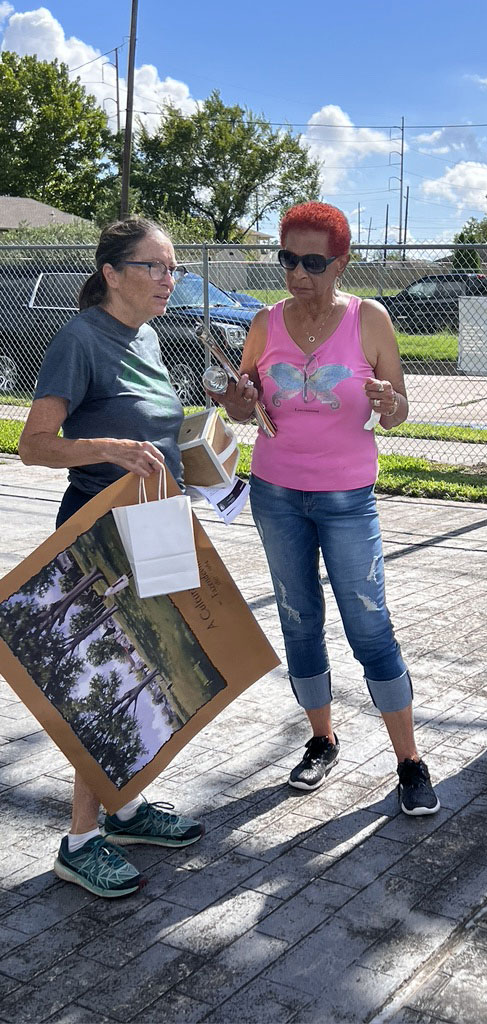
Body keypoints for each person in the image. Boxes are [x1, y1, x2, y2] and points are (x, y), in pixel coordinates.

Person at [211, 201, 439, 816]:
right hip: (276, 493)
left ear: (342, 262)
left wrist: (389, 400)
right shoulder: (264, 322)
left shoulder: (371, 320)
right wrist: (236, 399)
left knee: (369, 623)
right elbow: (246, 407)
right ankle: (321, 739)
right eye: (288, 259)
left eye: (313, 261)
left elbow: (398, 411)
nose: (298, 273)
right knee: (297, 616)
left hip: (346, 497)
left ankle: (409, 761)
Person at [18, 217, 204, 897]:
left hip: (153, 525)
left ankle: (125, 809)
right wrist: (105, 448)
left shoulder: (150, 336)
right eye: (156, 267)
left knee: (148, 669)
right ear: (113, 274)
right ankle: (80, 840)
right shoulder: (79, 339)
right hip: (98, 536)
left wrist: (199, 458)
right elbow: (33, 444)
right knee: (100, 685)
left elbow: (150, 429)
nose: (169, 279)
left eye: (173, 268)